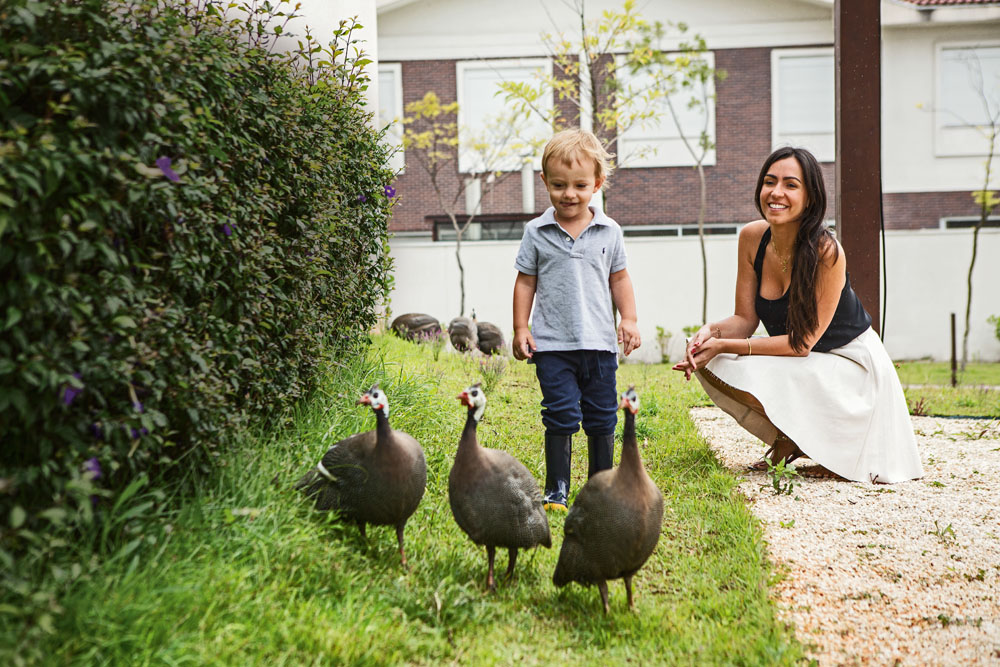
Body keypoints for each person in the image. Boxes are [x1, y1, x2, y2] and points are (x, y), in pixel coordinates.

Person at [672, 146, 922, 484]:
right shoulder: (751, 237)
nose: (776, 193)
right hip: (804, 361)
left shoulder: (826, 251)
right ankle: (790, 438)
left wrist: (727, 345)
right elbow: (745, 319)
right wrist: (711, 332)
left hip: (851, 365)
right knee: (714, 357)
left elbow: (802, 344)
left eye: (791, 185)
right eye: (769, 182)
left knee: (731, 353)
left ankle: (818, 443)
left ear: (810, 196)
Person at [512, 129, 641, 511]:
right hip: (552, 346)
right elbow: (525, 281)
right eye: (559, 185)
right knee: (561, 415)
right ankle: (557, 490)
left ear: (597, 184)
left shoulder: (610, 231)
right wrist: (522, 328)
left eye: (580, 185)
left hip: (600, 345)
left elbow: (619, 278)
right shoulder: (536, 232)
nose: (570, 193)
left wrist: (629, 319)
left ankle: (600, 489)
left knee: (602, 419)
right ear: (545, 182)